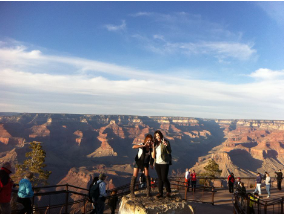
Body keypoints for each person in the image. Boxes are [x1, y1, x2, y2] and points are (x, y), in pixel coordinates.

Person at [152, 130, 172, 198]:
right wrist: (153, 148)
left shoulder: (165, 142)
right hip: (157, 163)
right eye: (156, 136)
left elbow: (169, 151)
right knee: (160, 178)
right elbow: (153, 156)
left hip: (164, 162)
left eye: (158, 135)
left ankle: (168, 191)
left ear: (161, 135)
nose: (158, 137)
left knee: (164, 178)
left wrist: (166, 145)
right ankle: (160, 192)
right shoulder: (155, 144)